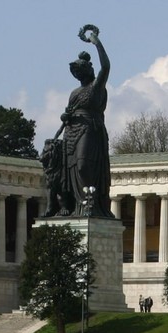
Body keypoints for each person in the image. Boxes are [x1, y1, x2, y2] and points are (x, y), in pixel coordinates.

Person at [56, 25, 112, 218]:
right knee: (71, 168)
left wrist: (97, 43)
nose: (78, 74)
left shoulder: (96, 87)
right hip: (72, 131)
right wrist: (66, 117)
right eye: (76, 72)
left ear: (88, 71)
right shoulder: (74, 93)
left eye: (81, 70)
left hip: (90, 128)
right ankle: (77, 205)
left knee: (83, 165)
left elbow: (106, 66)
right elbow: (69, 113)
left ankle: (90, 202)